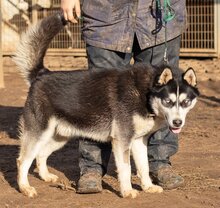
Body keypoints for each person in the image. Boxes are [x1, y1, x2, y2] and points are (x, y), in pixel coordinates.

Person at [61, 0, 187, 193]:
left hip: (158, 17)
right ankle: (92, 167)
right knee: (98, 98)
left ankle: (160, 162)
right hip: (105, 16)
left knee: (165, 96)